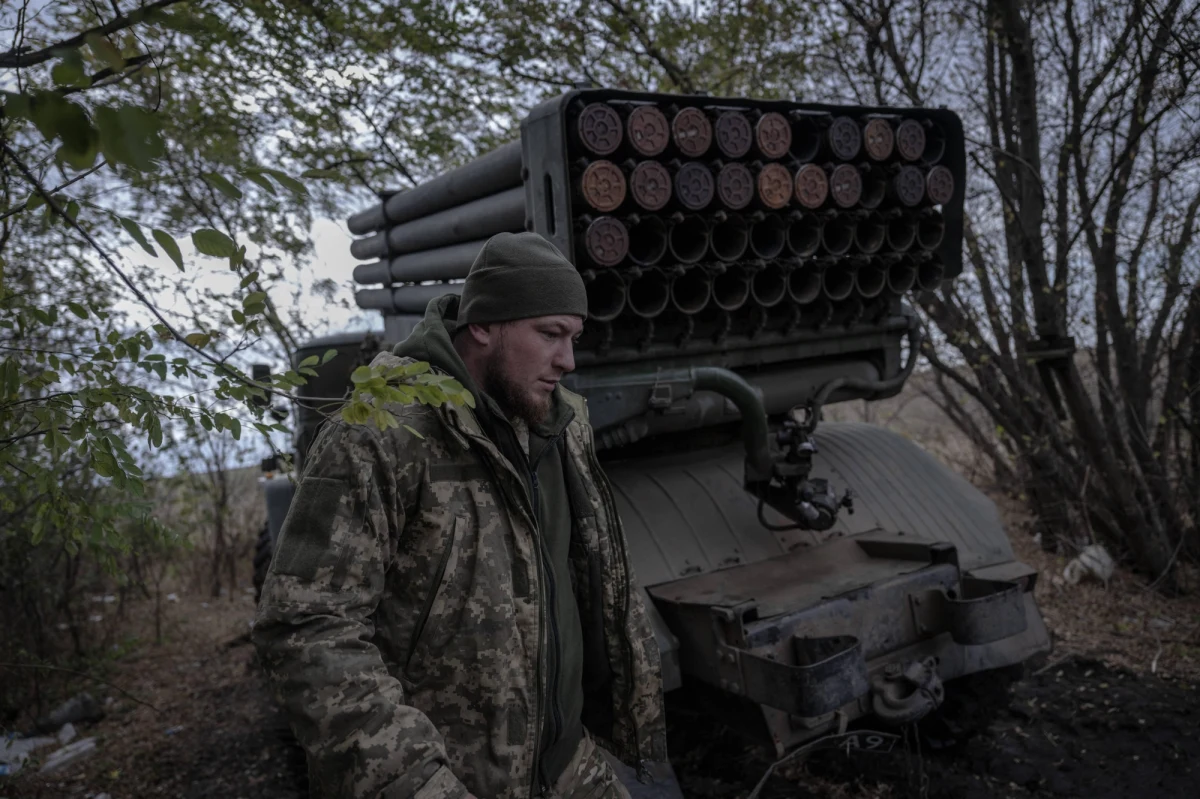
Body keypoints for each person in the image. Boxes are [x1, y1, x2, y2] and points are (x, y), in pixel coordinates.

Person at [253, 232, 673, 799]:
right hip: (452, 780)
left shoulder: (562, 425)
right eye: (549, 334)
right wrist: (414, 781)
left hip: (570, 768)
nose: (567, 360)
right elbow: (307, 625)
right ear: (483, 326)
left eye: (573, 338)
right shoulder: (382, 433)